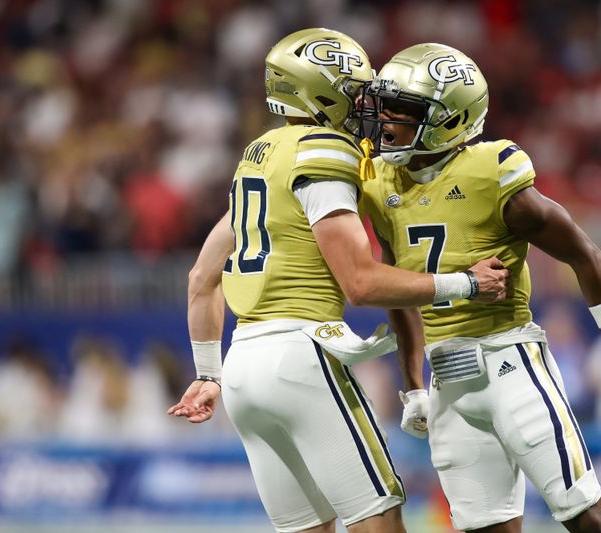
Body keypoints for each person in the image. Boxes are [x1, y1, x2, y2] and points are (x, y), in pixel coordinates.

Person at [166, 29, 509, 533]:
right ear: (320, 92)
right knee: (380, 520)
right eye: (354, 89)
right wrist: (464, 283)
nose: (366, 101)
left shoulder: (258, 154)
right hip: (301, 358)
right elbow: (361, 283)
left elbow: (201, 276)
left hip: (242, 369)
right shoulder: (325, 148)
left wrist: (208, 372)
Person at [358, 44, 601, 533]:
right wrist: (411, 387)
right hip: (447, 378)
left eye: (404, 110)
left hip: (510, 364)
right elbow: (400, 287)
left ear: (449, 119)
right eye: (386, 106)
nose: (386, 120)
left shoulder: (491, 171)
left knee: (586, 517)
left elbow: (583, 253)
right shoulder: (380, 182)